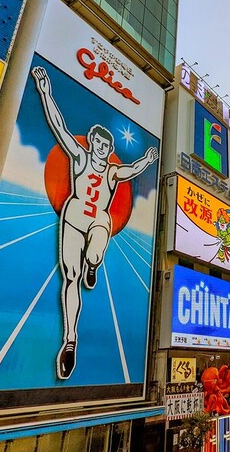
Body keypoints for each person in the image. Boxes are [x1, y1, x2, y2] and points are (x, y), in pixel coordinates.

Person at [32, 66, 159, 379]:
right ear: (91, 143)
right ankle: (70, 340)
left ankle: (94, 263)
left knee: (98, 239)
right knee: (70, 278)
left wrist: (147, 160)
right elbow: (59, 127)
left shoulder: (112, 171)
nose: (100, 149)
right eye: (96, 143)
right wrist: (46, 93)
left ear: (110, 149)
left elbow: (132, 170)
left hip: (98, 219)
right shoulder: (79, 157)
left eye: (105, 146)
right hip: (74, 217)